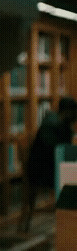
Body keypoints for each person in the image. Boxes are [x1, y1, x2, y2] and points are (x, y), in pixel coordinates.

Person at [22, 97, 77, 230]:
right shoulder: (52, 126)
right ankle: (68, 224)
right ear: (67, 112)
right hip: (42, 173)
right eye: (74, 113)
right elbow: (60, 153)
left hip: (50, 168)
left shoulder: (57, 123)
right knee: (73, 179)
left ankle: (69, 223)